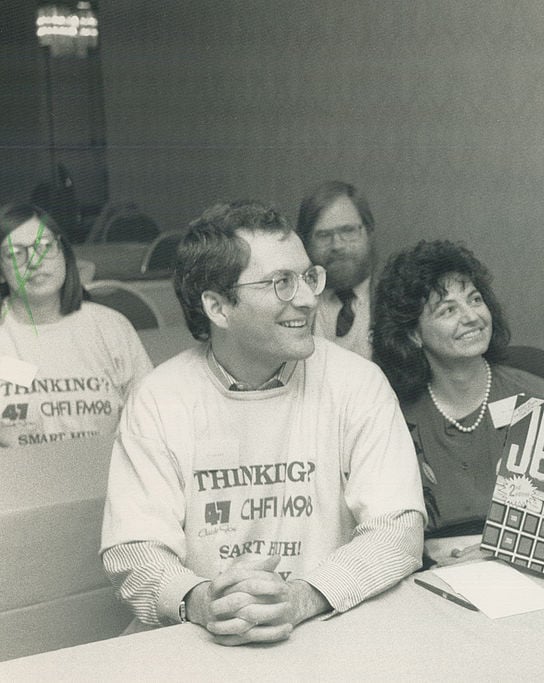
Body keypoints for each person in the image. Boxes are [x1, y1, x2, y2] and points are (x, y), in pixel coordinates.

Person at [100, 200, 424, 645]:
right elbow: (134, 551)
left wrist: (304, 596)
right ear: (218, 307)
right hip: (199, 640)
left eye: (309, 276)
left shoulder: (358, 384)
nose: (309, 298)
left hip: (327, 627)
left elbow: (398, 530)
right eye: (281, 283)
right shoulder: (158, 399)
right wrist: (201, 600)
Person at [372, 240, 544, 562]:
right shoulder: (391, 414)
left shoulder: (536, 397)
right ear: (413, 334)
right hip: (425, 578)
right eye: (448, 310)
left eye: (475, 299)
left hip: (526, 570)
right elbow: (383, 529)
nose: (471, 317)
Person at [0, 203, 151, 447]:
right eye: (16, 253)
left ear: (63, 251)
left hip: (104, 478)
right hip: (17, 481)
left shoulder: (111, 327)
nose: (35, 262)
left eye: (45, 246)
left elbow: (149, 422)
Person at [296, 181, 376, 358]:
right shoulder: (293, 303)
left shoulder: (397, 298)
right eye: (323, 235)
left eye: (348, 231)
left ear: (369, 232)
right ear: (305, 241)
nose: (337, 245)